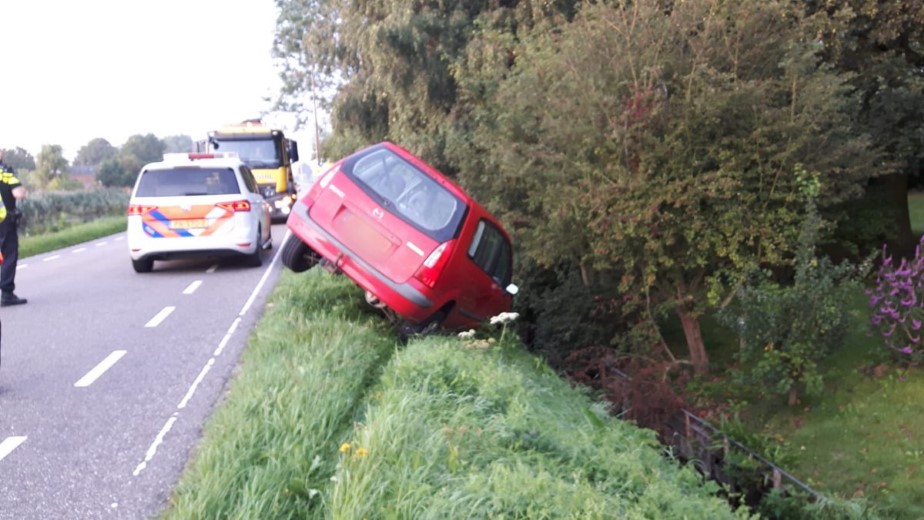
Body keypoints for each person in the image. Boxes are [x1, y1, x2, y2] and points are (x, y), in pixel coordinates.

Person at [0, 149, 26, 306]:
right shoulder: (5, 172)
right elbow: (19, 193)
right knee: (9, 255)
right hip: (4, 221)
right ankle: (7, 294)